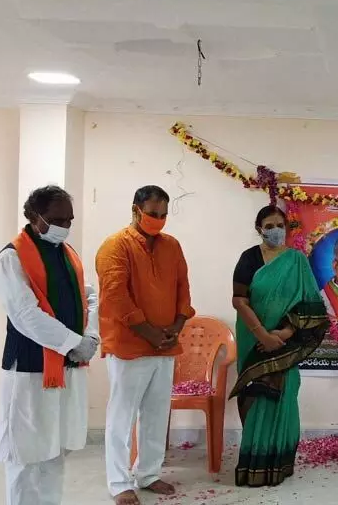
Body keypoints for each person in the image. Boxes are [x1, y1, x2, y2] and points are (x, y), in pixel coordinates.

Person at [0, 186, 100, 505]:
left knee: (55, 451)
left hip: (67, 370)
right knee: (27, 455)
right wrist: (72, 343)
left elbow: (88, 297)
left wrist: (90, 337)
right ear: (33, 215)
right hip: (29, 371)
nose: (64, 227)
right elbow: (25, 314)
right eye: (56, 219)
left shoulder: (68, 254)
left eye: (69, 220)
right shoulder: (12, 257)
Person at [96, 185, 195, 505]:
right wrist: (149, 332)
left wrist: (177, 326)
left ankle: (148, 473)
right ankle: (118, 481)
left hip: (166, 344)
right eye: (153, 214)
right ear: (136, 210)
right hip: (129, 345)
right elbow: (115, 296)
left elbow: (183, 288)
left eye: (164, 215)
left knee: (155, 413)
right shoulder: (115, 246)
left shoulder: (172, 245)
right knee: (122, 416)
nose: (159, 220)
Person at [230, 205, 329, 487]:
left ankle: (278, 465)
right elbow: (239, 300)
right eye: (269, 225)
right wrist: (262, 334)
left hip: (285, 344)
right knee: (257, 396)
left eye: (279, 224)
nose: (275, 230)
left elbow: (312, 307)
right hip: (254, 340)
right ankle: (254, 465)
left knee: (284, 396)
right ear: (259, 228)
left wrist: (283, 334)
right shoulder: (249, 258)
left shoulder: (297, 261)